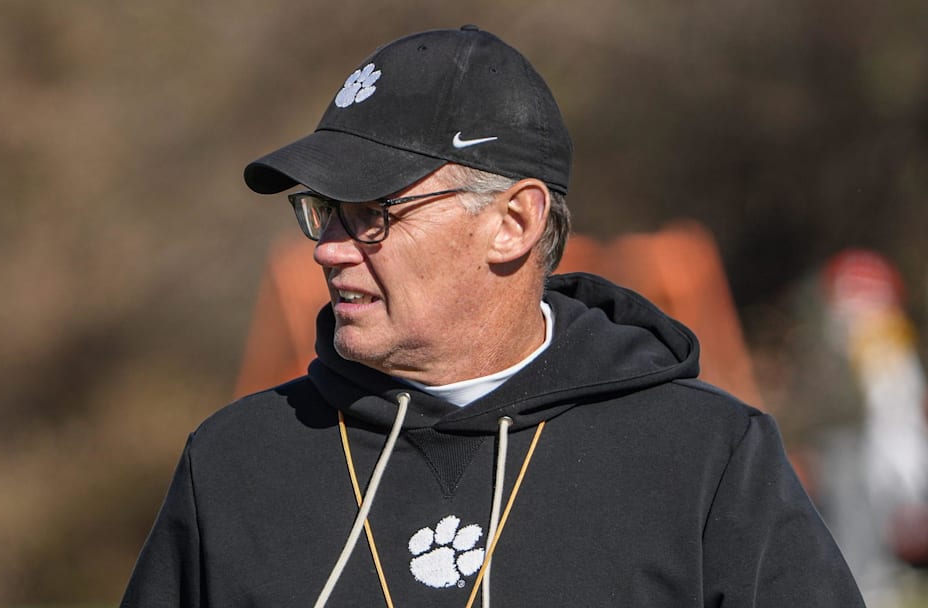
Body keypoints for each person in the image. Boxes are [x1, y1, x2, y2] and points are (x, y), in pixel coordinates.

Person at [121, 25, 865, 607]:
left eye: (373, 214)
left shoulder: (707, 457)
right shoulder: (233, 466)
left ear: (513, 222)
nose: (330, 251)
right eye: (324, 214)